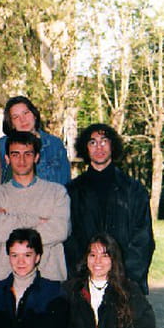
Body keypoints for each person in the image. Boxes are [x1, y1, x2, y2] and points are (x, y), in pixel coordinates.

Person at [65, 123, 154, 294]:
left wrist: (124, 278)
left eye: (104, 141)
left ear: (113, 145)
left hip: (125, 284)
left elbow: (143, 239)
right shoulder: (72, 191)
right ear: (85, 148)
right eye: (93, 142)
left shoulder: (133, 190)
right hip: (85, 284)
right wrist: (83, 276)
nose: (99, 147)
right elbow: (69, 240)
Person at [0, 131, 70, 281]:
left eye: (28, 154)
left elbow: (60, 230)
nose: (22, 160)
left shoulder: (57, 193)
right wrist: (36, 220)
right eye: (15, 154)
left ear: (36, 157)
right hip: (7, 282)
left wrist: (9, 220)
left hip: (50, 279)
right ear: (7, 159)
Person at [0, 96, 70, 185]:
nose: (22, 120)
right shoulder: (2, 146)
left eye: (26, 113)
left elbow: (65, 182)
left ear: (34, 115)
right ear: (11, 124)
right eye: (16, 117)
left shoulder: (54, 144)